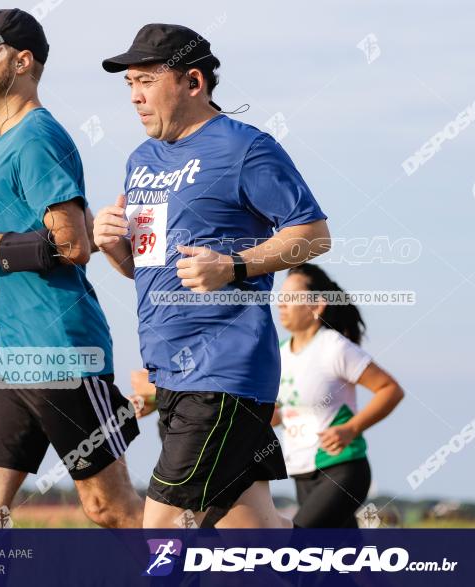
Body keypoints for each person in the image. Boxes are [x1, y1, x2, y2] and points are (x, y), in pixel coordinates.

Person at [93, 23, 330, 528]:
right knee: (255, 534)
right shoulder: (141, 161)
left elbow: (313, 234)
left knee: (160, 531)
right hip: (170, 374)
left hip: (224, 373)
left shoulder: (244, 148)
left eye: (146, 82)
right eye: (129, 83)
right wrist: (114, 247)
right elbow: (146, 270)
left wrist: (233, 265)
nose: (134, 97)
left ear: (193, 83)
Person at [0, 9, 142, 528]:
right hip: (11, 353)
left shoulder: (37, 137)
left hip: (61, 351)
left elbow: (72, 245)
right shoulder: (5, 143)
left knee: (109, 509)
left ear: (22, 62)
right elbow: (28, 241)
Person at [274, 263, 404, 527]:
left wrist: (350, 428)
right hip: (300, 471)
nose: (281, 304)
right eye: (280, 297)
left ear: (317, 306)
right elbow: (283, 410)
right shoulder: (279, 352)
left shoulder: (333, 347)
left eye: (291, 297)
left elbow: (390, 389)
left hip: (341, 468)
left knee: (296, 545)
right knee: (340, 561)